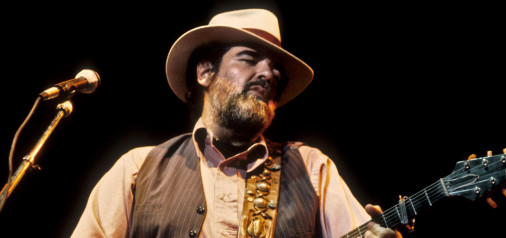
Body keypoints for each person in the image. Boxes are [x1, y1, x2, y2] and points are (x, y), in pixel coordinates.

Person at [71, 9, 398, 238]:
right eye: (249, 58)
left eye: (275, 70)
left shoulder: (313, 168)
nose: (268, 74)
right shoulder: (137, 169)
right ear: (205, 72)